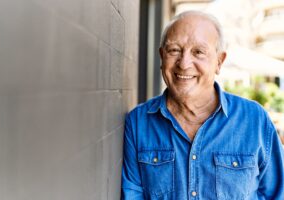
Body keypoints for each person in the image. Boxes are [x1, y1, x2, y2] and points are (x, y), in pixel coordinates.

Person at [121, 10, 284, 199]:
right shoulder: (138, 123)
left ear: (219, 62)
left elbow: (278, 193)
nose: (184, 64)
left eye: (198, 52)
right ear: (161, 56)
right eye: (174, 50)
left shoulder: (254, 120)